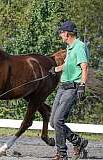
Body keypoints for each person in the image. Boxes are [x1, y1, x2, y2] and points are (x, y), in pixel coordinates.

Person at [49, 21, 90, 160]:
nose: (60, 35)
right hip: (63, 87)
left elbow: (84, 67)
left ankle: (62, 154)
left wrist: (82, 86)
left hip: (72, 88)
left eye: (61, 33)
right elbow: (67, 65)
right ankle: (78, 142)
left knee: (58, 120)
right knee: (53, 122)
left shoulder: (79, 46)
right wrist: (55, 70)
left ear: (66, 33)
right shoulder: (70, 47)